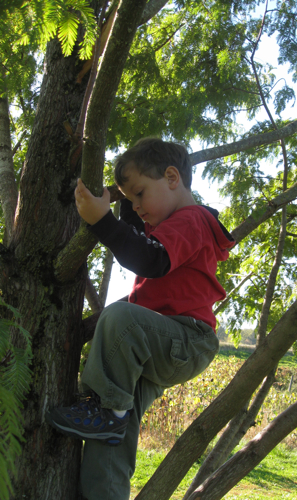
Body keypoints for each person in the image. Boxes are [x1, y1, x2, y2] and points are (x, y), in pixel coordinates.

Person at [46, 137, 235, 500]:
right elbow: (137, 236)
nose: (135, 205)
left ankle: (110, 412)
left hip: (186, 338)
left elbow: (149, 258)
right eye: (129, 199)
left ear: (171, 177)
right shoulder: (167, 220)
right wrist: (119, 202)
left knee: (120, 319)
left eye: (139, 194)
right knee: (114, 427)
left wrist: (102, 221)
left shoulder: (192, 220)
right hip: (157, 346)